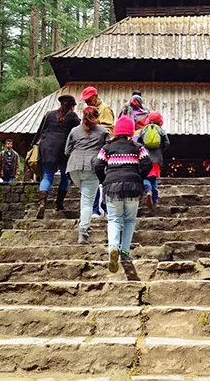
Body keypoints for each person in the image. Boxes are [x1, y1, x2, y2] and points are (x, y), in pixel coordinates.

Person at [94, 116, 152, 273]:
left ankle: (113, 247)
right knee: (129, 220)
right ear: (130, 131)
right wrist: (140, 177)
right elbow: (148, 163)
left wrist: (104, 180)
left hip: (112, 186)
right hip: (133, 186)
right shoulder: (137, 146)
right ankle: (125, 252)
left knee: (113, 219)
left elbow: (98, 165)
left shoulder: (106, 148)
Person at [66, 107, 111, 245]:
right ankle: (83, 233)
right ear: (97, 117)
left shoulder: (74, 131)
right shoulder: (103, 131)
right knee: (87, 201)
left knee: (85, 196)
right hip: (92, 167)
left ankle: (83, 226)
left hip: (73, 167)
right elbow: (108, 150)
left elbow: (67, 150)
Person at [36, 95, 80, 218]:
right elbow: (79, 131)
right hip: (63, 149)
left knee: (47, 176)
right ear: (72, 106)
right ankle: (59, 204)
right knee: (65, 177)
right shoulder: (72, 116)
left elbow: (40, 132)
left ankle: (42, 203)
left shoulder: (49, 115)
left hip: (46, 148)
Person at [136, 112, 166, 209]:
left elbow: (138, 142)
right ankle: (155, 199)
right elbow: (167, 143)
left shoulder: (144, 129)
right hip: (156, 158)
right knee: (154, 178)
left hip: (145, 157)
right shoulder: (161, 130)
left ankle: (148, 191)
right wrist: (160, 150)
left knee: (146, 177)